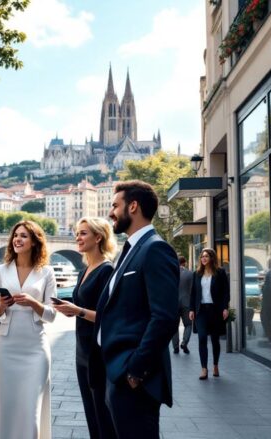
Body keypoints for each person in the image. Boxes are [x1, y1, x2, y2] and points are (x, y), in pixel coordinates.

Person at [94, 180, 179, 439]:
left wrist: (135, 370)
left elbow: (164, 317)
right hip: (116, 374)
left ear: (133, 206)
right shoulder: (130, 250)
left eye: (115, 205)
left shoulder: (155, 249)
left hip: (133, 378)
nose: (111, 212)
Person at [0, 220, 57, 439]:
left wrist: (33, 303)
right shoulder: (0, 269)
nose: (18, 239)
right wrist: (1, 306)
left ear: (35, 241)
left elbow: (52, 314)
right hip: (6, 346)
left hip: (35, 346)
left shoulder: (46, 272)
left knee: (30, 409)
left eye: (24, 236)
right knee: (5, 405)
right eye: (16, 235)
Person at [53, 217, 116, 439]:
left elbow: (108, 317)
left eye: (82, 233)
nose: (77, 238)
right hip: (82, 351)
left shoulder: (106, 270)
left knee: (102, 414)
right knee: (91, 412)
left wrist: (77, 311)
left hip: (98, 353)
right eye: (76, 233)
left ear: (98, 237)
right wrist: (69, 309)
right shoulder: (85, 269)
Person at [189, 248, 230, 380]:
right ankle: (204, 369)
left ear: (212, 258)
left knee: (214, 340)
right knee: (202, 338)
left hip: (215, 310)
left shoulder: (220, 273)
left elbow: (225, 292)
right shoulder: (197, 274)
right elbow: (193, 293)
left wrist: (225, 308)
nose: (204, 259)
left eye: (206, 256)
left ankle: (215, 365)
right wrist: (191, 309)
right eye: (202, 257)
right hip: (201, 311)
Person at [172, 256, 194, 354]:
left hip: (174, 303)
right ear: (185, 263)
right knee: (188, 325)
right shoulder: (190, 274)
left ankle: (175, 346)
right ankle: (184, 343)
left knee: (174, 326)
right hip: (187, 303)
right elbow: (193, 290)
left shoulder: (171, 273)